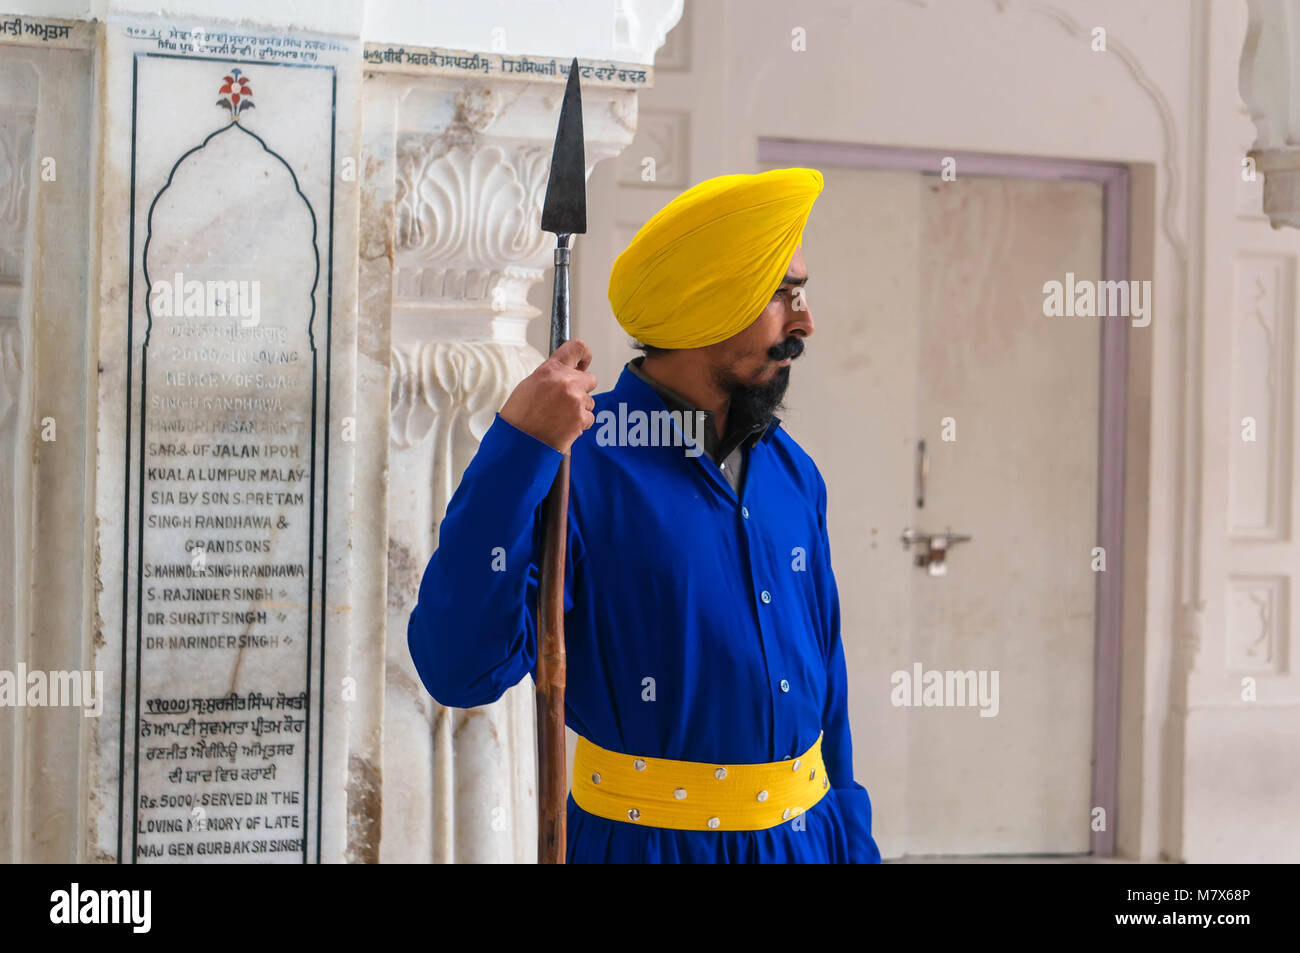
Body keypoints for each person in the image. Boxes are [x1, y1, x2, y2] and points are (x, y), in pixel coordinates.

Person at [407, 167, 882, 863]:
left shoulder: (792, 472)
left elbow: (829, 694)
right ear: (706, 306)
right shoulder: (579, 467)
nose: (805, 320)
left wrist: (855, 845)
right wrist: (516, 451)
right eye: (782, 294)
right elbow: (459, 668)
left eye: (801, 293)